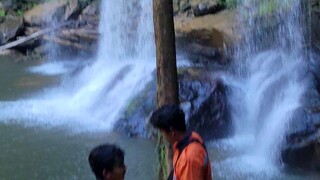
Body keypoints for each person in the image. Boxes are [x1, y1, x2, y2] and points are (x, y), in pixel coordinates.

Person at [150, 104, 212, 180]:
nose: (163, 135)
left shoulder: (188, 159)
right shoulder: (192, 136)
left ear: (172, 132)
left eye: (162, 132)